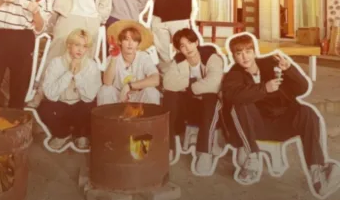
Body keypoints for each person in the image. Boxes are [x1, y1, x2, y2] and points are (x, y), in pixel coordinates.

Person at [222, 33, 340, 197]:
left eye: (248, 51)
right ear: (233, 57)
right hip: (254, 128)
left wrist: (289, 70)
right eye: (239, 53)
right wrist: (264, 89)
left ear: (254, 52)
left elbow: (302, 89)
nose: (244, 57)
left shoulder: (271, 64)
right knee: (240, 103)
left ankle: (317, 172)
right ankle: (253, 158)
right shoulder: (233, 74)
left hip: (280, 123)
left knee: (307, 112)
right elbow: (232, 96)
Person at [163, 28, 224, 175]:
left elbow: (214, 84)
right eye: (183, 46)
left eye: (190, 43)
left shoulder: (211, 57)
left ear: (196, 42)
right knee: (169, 96)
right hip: (189, 105)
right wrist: (195, 85)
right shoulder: (178, 60)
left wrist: (188, 88)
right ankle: (169, 147)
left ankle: (205, 152)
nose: (188, 48)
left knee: (210, 97)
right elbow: (168, 83)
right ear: (179, 49)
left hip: (210, 106)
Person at [38, 29, 101, 151]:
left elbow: (89, 97)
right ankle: (63, 134)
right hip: (61, 105)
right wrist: (69, 73)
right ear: (68, 45)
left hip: (81, 106)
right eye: (77, 45)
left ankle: (81, 134)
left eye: (84, 46)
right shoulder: (56, 63)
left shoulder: (91, 65)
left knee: (92, 107)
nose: (80, 50)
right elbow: (50, 94)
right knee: (44, 108)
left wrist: (77, 75)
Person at [97, 20, 160, 105]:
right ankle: (109, 114)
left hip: (138, 97)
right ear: (120, 41)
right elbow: (107, 82)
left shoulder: (143, 56)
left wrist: (129, 86)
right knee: (105, 90)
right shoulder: (113, 56)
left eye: (134, 40)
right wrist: (114, 58)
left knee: (152, 92)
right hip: (119, 97)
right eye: (126, 39)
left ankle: (148, 115)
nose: (130, 44)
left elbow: (156, 79)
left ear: (138, 43)